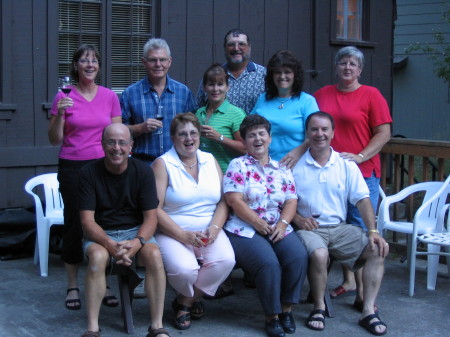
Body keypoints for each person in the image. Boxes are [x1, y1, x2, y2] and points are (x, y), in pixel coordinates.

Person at [292, 111, 389, 336]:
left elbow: (363, 199)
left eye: (325, 129)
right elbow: (284, 201)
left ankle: (367, 311)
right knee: (318, 254)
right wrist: (298, 218)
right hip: (309, 228)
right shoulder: (296, 165)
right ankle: (318, 307)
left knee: (377, 248)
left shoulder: (346, 165)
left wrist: (373, 231)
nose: (319, 134)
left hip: (339, 228)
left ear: (333, 133)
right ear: (307, 133)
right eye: (314, 129)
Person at [314, 46, 392, 302]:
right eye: (343, 63)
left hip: (363, 171)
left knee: (359, 229)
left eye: (353, 64)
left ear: (360, 69)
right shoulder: (322, 94)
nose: (347, 68)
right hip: (330, 172)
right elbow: (313, 126)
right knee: (339, 227)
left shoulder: (371, 95)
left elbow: (383, 133)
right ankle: (349, 281)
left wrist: (360, 156)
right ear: (336, 67)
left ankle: (363, 293)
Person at [48, 44, 121, 310]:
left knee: (106, 221)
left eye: (94, 61)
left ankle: (106, 281)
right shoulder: (63, 96)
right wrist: (61, 115)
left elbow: (116, 132)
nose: (89, 65)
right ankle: (72, 285)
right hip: (73, 167)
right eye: (84, 60)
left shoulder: (109, 96)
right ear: (76, 66)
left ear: (99, 66)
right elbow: (55, 139)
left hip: (104, 166)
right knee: (74, 224)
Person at [78, 123, 169, 337]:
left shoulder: (143, 172)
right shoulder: (88, 173)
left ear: (131, 146)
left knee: (155, 255)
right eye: (111, 142)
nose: (116, 148)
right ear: (102, 145)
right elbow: (87, 221)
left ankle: (157, 326)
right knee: (98, 257)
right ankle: (92, 328)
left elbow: (151, 217)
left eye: (122, 143)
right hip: (101, 233)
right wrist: (110, 245)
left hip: (136, 231)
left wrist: (137, 243)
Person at [223, 114, 309, 337]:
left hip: (276, 225)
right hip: (244, 229)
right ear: (244, 141)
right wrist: (258, 223)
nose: (258, 139)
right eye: (251, 135)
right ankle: (272, 316)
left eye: (262, 133)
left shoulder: (281, 168)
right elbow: (234, 201)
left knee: (298, 256)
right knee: (268, 264)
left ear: (270, 138)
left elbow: (291, 200)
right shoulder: (237, 165)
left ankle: (286, 309)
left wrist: (282, 223)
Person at [151, 113, 235, 330]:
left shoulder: (209, 160)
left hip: (208, 228)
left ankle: (185, 301)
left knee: (226, 261)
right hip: (173, 230)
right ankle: (191, 297)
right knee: (184, 270)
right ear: (172, 137)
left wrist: (215, 229)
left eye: (193, 133)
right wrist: (182, 235)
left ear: (199, 136)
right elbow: (154, 209)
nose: (188, 138)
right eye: (182, 134)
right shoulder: (163, 164)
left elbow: (224, 201)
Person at [121, 38, 197, 164]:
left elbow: (194, 128)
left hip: (176, 162)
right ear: (144, 62)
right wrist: (141, 128)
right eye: (152, 60)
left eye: (162, 59)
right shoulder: (130, 94)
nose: (158, 64)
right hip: (142, 162)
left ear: (169, 62)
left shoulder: (183, 93)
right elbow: (120, 131)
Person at [250, 50, 319, 165]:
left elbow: (316, 134)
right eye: (278, 72)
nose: (282, 76)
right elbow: (250, 128)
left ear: (295, 75)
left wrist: (298, 152)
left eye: (287, 72)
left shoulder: (307, 101)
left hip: (296, 165)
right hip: (263, 165)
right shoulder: (262, 99)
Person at [196, 28, 266, 114]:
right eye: (231, 45)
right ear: (225, 48)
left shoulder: (263, 75)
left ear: (249, 47)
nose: (236, 48)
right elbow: (198, 108)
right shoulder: (213, 75)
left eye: (241, 44)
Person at [195, 63, 246, 173]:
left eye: (220, 84)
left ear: (227, 87)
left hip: (228, 174)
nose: (215, 89)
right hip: (203, 174)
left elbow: (245, 148)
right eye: (211, 84)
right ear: (204, 87)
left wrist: (219, 137)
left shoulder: (236, 114)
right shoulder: (199, 113)